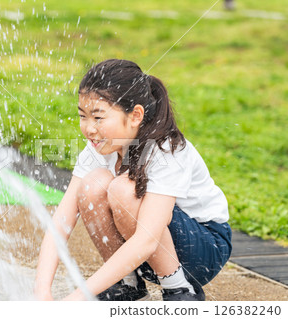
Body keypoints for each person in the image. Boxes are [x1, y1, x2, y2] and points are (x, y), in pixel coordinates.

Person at [34, 59, 232, 301]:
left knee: (124, 189)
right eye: (82, 116)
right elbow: (60, 224)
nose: (88, 128)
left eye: (98, 117)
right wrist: (42, 292)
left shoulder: (166, 150)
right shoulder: (97, 148)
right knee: (91, 185)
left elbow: (147, 240)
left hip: (202, 249)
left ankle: (179, 289)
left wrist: (77, 299)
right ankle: (127, 285)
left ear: (135, 115)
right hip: (148, 249)